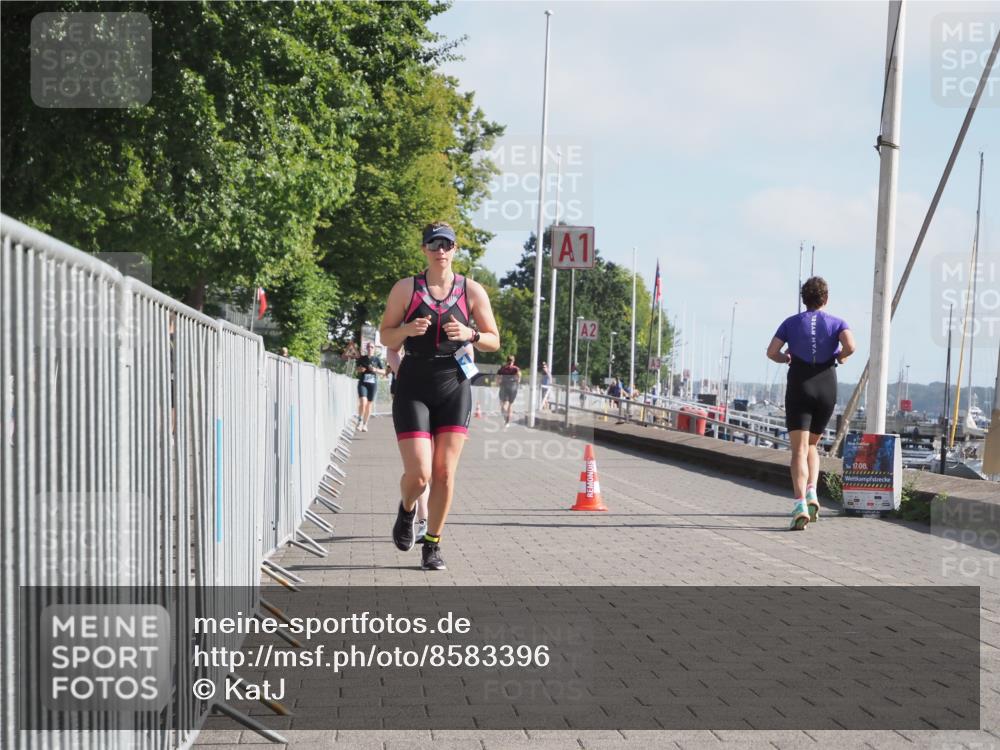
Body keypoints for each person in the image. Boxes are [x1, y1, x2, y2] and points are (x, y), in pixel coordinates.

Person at [379, 221, 500, 570]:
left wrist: (470, 333)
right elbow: (387, 337)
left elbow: (494, 339)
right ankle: (406, 511)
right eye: (434, 245)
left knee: (444, 473)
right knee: (419, 475)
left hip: (454, 383)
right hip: (414, 382)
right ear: (424, 250)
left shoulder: (472, 290)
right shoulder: (406, 288)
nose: (440, 251)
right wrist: (405, 330)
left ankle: (432, 544)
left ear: (455, 249)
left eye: (446, 245)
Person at [767, 276, 856, 530]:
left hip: (800, 383)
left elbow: (771, 352)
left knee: (798, 449)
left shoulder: (791, 323)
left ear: (803, 299)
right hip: (826, 384)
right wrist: (840, 356)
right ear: (825, 299)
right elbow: (851, 345)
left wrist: (786, 359)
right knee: (813, 446)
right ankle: (812, 492)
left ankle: (799, 506)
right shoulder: (837, 322)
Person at [354, 342, 385, 432]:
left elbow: (384, 371)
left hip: (372, 384)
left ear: (374, 349)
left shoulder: (377, 359)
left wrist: (375, 370)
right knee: (363, 402)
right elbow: (356, 369)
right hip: (363, 383)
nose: (370, 348)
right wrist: (360, 369)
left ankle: (365, 424)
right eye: (368, 347)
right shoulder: (362, 358)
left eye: (371, 347)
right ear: (366, 348)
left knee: (368, 404)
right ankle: (359, 421)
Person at [497, 355, 521, 428]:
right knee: (510, 405)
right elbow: (519, 375)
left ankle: (505, 417)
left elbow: (498, 377)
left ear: (506, 361)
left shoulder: (503, 368)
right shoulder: (516, 368)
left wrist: (499, 383)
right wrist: (517, 382)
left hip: (504, 386)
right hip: (513, 387)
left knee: (503, 406)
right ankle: (507, 422)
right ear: (513, 361)